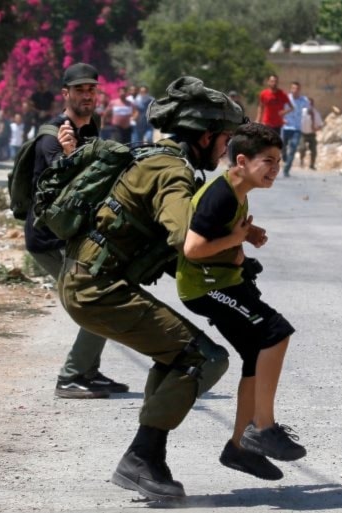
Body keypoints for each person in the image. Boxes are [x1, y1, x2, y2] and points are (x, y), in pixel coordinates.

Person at [58, 76, 245, 500]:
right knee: (204, 358)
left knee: (174, 354)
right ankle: (142, 457)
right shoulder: (172, 172)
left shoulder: (157, 158)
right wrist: (235, 247)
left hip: (90, 279)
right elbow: (188, 241)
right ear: (205, 135)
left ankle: (147, 457)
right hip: (97, 286)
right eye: (226, 138)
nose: (227, 148)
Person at [176, 122, 306, 481]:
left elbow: (220, 236)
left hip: (224, 280)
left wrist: (244, 237)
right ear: (242, 160)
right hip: (205, 287)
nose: (276, 168)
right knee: (275, 332)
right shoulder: (221, 194)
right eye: (269, 161)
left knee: (256, 354)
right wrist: (235, 240)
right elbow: (194, 248)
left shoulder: (238, 188)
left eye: (279, 161)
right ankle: (262, 428)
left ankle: (239, 449)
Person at [25, 62, 128, 400]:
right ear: (65, 93)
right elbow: (62, 191)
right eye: (80, 89)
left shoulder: (89, 130)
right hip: (50, 238)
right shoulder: (53, 138)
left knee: (104, 293)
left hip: (73, 234)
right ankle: (70, 377)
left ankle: (88, 371)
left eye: (91, 89)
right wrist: (70, 156)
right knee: (96, 300)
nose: (87, 94)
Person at [280, 81, 309, 177]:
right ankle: (284, 157)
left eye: (297, 88)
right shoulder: (285, 99)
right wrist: (282, 120)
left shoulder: (304, 100)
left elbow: (309, 110)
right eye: (293, 88)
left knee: (293, 148)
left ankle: (286, 169)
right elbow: (279, 111)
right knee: (282, 147)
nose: (295, 90)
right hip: (286, 126)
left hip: (297, 128)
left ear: (299, 90)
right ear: (291, 89)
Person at [299, 97, 324, 170]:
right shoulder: (302, 112)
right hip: (303, 134)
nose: (310, 105)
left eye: (311, 104)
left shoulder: (316, 113)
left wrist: (316, 128)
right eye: (308, 104)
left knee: (314, 150)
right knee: (302, 148)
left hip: (312, 134)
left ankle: (312, 164)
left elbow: (320, 125)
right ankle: (301, 160)